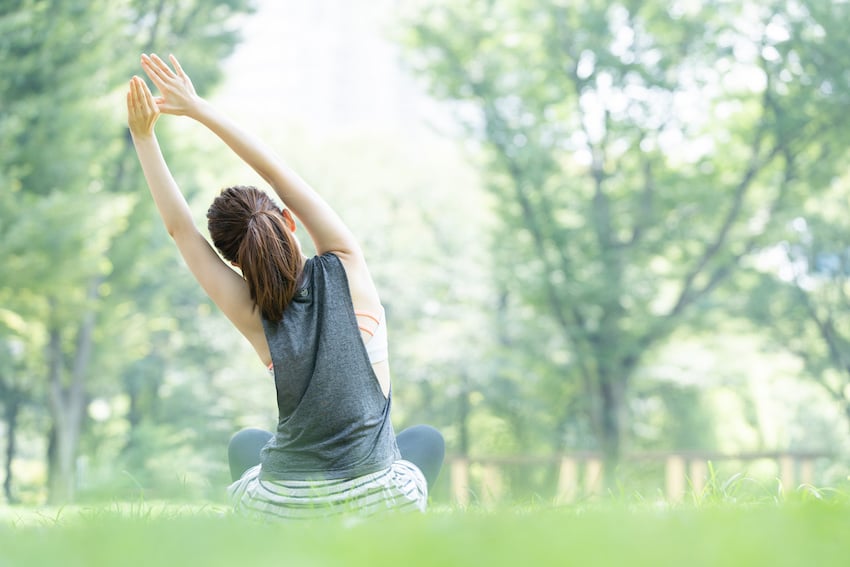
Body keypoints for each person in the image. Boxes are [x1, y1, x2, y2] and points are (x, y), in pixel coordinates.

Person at [126, 53, 444, 520]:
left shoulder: (252, 313)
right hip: (383, 502)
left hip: (282, 510)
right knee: (425, 441)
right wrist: (197, 107)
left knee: (247, 445)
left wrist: (143, 135)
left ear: (234, 261)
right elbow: (278, 174)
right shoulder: (347, 264)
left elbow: (180, 230)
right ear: (289, 221)